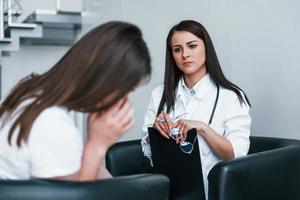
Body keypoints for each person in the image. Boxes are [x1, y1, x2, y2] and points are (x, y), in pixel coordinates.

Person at [0, 21, 151, 181]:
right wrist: (97, 146)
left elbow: (79, 171)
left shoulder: (32, 89)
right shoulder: (51, 124)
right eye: (124, 91)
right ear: (104, 79)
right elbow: (77, 195)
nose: (124, 101)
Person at [141, 20, 251, 198]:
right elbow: (147, 152)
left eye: (192, 46)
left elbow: (235, 155)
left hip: (211, 192)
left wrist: (202, 128)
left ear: (206, 47)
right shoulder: (159, 94)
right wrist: (155, 132)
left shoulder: (231, 96)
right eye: (178, 49)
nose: (185, 54)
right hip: (169, 190)